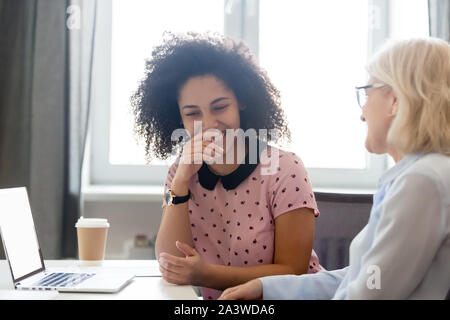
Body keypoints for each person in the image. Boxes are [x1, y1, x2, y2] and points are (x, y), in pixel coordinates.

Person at [219, 37, 450, 300]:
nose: (362, 113)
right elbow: (363, 277)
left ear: (395, 100)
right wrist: (265, 287)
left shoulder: (423, 181)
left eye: (367, 93)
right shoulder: (420, 175)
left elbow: (369, 294)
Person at [130, 32, 322, 300]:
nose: (208, 123)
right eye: (193, 113)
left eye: (219, 107)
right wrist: (182, 180)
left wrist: (204, 274)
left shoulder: (284, 168)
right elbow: (172, 264)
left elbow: (293, 271)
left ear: (241, 101)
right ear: (179, 117)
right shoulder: (181, 172)